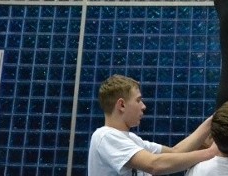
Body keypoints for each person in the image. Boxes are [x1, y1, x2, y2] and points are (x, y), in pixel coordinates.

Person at [88, 74, 216, 175]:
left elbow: (175, 152)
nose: (143, 106)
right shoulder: (105, 136)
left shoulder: (132, 140)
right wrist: (210, 153)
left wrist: (212, 121)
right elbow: (154, 165)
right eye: (138, 100)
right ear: (121, 105)